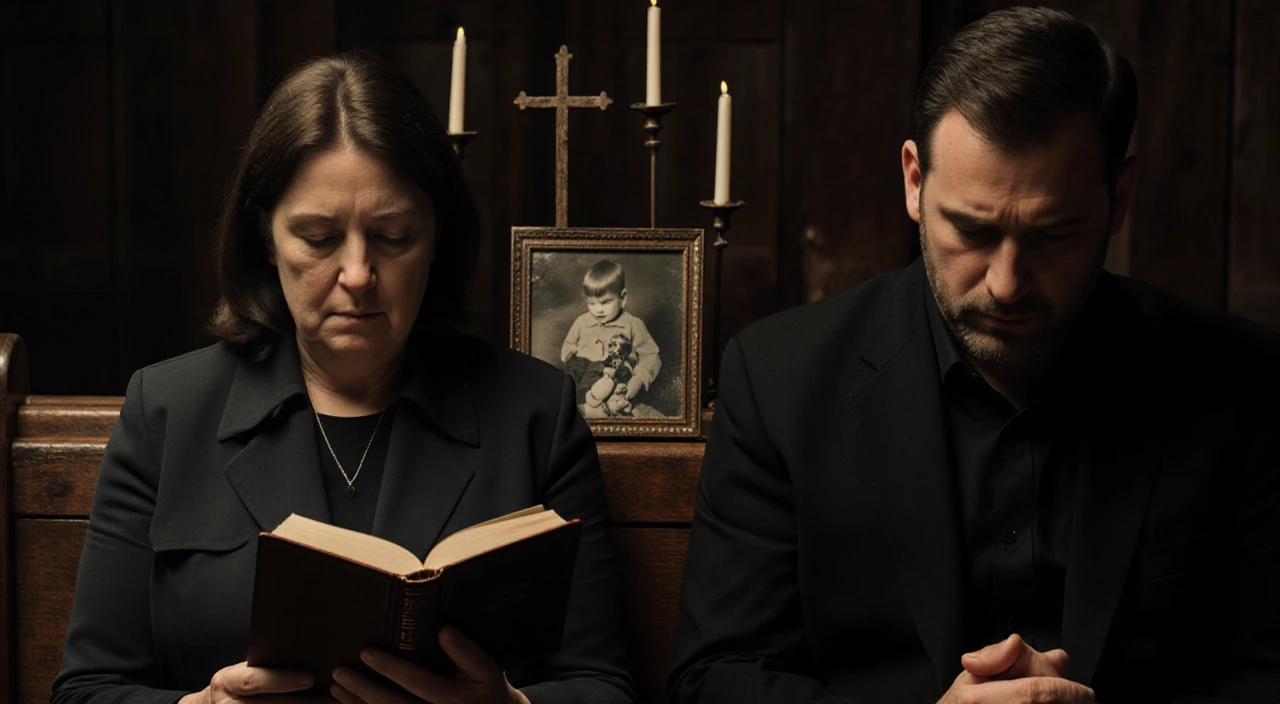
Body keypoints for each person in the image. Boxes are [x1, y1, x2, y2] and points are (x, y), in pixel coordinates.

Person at [668, 7, 1280, 704]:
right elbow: (714, 680)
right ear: (913, 181)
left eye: (1054, 234)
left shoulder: (1244, 385)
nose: (1006, 282)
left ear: (1122, 197)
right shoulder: (779, 381)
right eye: (972, 229)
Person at [52, 53, 636, 704]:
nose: (357, 273)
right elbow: (87, 689)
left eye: (392, 236)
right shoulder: (166, 412)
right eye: (319, 237)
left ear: (437, 236)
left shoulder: (535, 413)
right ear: (265, 239)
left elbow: (603, 687)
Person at [559, 260, 661, 417]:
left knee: (638, 414)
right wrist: (571, 357)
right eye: (591, 303)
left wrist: (638, 380)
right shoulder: (581, 322)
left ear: (623, 298)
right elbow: (568, 347)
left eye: (606, 302)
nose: (598, 309)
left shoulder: (633, 324)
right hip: (586, 386)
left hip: (619, 386)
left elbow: (651, 355)